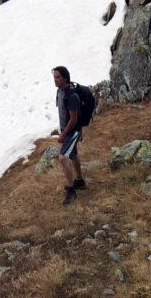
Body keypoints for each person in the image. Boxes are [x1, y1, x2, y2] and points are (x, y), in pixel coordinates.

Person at [53, 65, 86, 205]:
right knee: (73, 155)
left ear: (65, 78)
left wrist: (63, 135)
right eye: (54, 77)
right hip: (67, 130)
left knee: (62, 158)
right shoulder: (60, 92)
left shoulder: (71, 95)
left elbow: (73, 120)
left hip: (72, 131)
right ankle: (80, 181)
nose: (55, 80)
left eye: (58, 77)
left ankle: (71, 190)